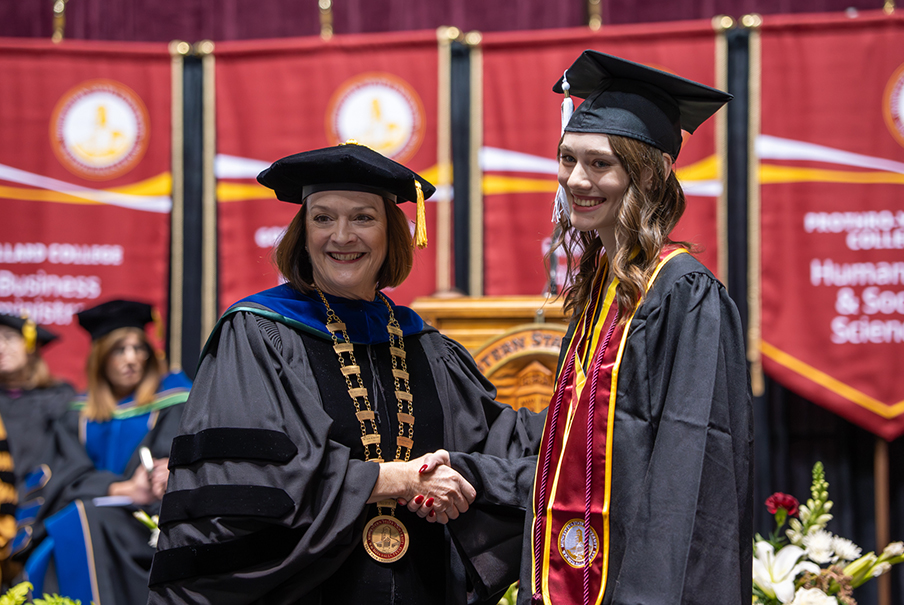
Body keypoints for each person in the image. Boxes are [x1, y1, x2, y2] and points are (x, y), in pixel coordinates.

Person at [148, 142, 544, 605]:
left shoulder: (425, 347)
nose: (341, 235)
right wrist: (398, 480)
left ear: (391, 233)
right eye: (322, 218)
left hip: (422, 585)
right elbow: (250, 486)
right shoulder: (257, 335)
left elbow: (497, 442)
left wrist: (596, 411)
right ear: (302, 231)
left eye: (362, 217)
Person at [518, 51, 753, 605]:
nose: (577, 179)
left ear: (647, 172)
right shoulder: (603, 286)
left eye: (600, 163)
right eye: (567, 158)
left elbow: (690, 470)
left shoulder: (683, 294)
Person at [14, 300, 191, 605]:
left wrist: (168, 472)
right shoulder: (75, 414)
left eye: (138, 348)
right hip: (94, 516)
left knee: (88, 519)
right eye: (119, 350)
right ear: (100, 358)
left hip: (148, 524)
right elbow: (62, 475)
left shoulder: (174, 402)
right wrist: (121, 488)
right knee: (70, 527)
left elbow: (183, 457)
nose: (132, 359)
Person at [0, 314, 74, 584]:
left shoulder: (60, 400)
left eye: (9, 338)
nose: (0, 348)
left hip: (42, 517)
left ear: (31, 345)